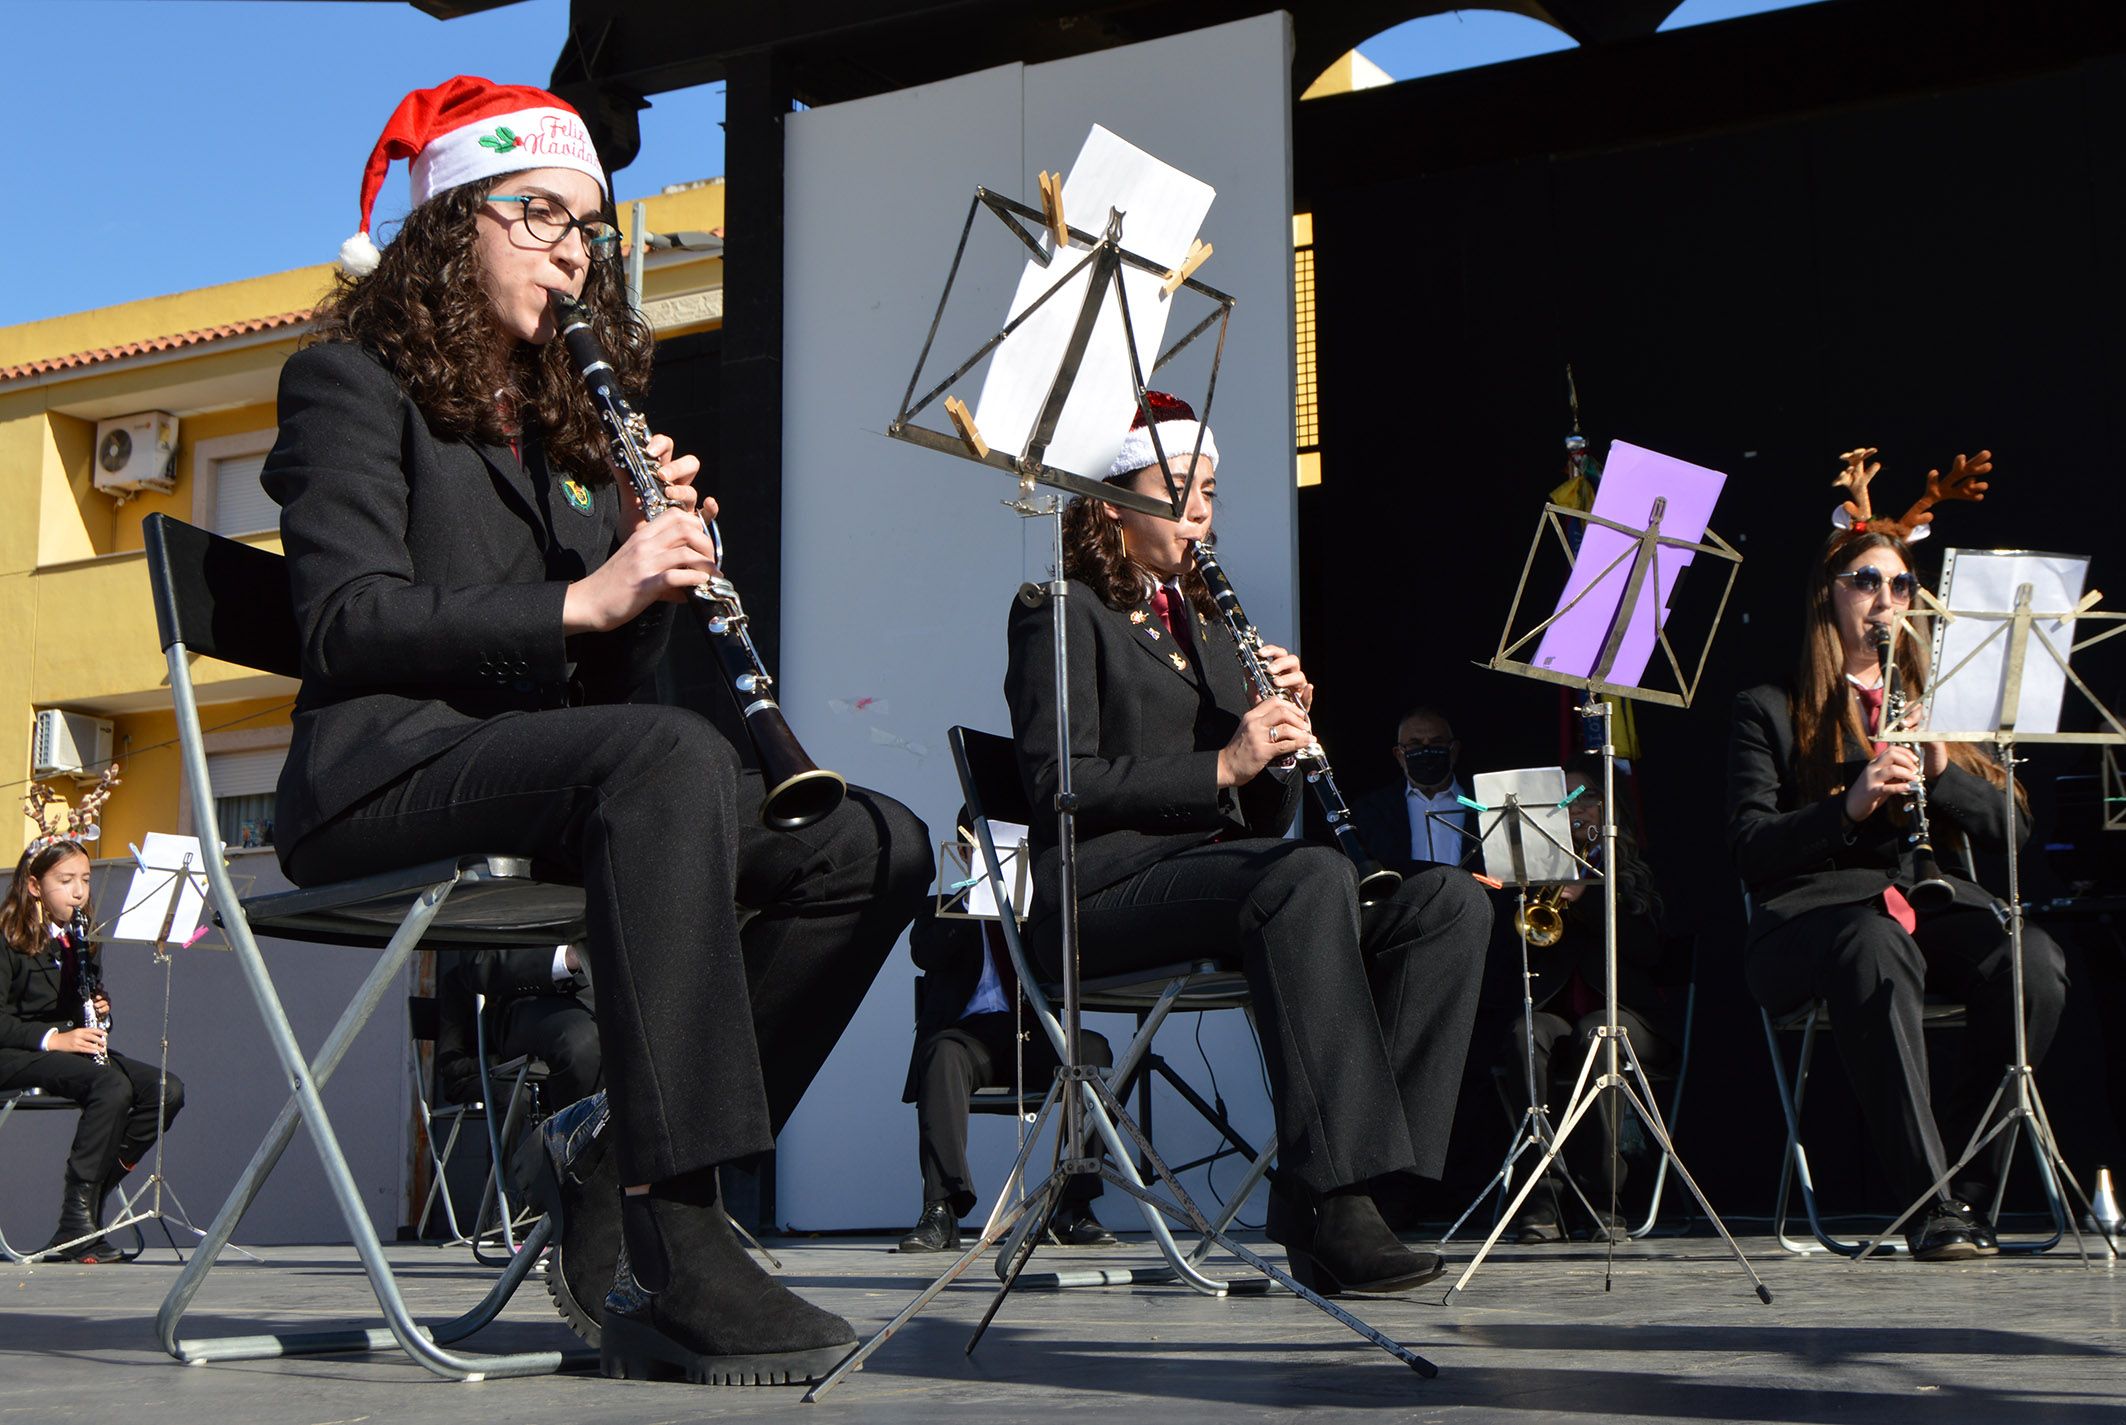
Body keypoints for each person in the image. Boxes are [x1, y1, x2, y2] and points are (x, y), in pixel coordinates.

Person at [264, 76, 930, 1384]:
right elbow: (347, 619)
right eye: (539, 213)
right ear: (451, 222)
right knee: (671, 756)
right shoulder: (345, 383)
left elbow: (605, 689)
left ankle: (620, 1144)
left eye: (590, 228)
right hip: (379, 779)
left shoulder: (561, 430)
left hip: (539, 780)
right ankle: (680, 1243)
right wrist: (584, 590)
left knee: (871, 842)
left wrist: (653, 577)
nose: (574, 249)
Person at [1003, 392, 1491, 1296]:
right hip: (1099, 893)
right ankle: (1332, 1199)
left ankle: (1358, 1187)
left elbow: (1259, 828)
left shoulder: (1214, 627)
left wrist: (1283, 749)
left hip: (1220, 886)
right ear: (1111, 501)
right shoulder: (1057, 609)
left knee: (1446, 902)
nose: (1199, 509)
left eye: (1211, 491)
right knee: (1306, 877)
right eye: (1176, 487)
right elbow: (1054, 784)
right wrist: (1224, 763)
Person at [1727, 449, 2065, 1260]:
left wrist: (1943, 769)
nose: (1886, 599)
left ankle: (1968, 1195)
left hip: (1923, 903)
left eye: (1901, 585)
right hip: (1812, 923)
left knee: (2034, 964)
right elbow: (1750, 851)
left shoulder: (1936, 701)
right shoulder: (1768, 710)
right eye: (1867, 582)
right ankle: (1928, 1204)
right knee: (1874, 943)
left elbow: (2012, 830)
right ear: (1828, 593)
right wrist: (1848, 804)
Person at [1492, 762, 1676, 1243]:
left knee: (1597, 1033)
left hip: (1629, 1014)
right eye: (1564, 801)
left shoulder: (1636, 869)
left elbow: (1651, 952)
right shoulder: (1535, 870)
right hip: (1556, 1008)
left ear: (1609, 806)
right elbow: (1511, 957)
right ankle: (1541, 1201)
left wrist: (1588, 898)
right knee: (1522, 1034)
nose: (1575, 810)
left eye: (1586, 797)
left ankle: (1603, 1203)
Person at [0, 789, 185, 1264]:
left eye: (84, 879)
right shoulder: (7, 938)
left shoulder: (80, 937)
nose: (80, 891)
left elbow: (86, 1008)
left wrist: (99, 1011)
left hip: (66, 1050)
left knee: (164, 1090)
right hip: (15, 1052)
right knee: (110, 1087)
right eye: (66, 880)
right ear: (36, 886)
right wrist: (55, 1038)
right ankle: (77, 1219)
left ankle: (85, 1206)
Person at [897, 907, 1115, 1252]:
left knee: (1094, 1052)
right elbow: (926, 953)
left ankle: (1075, 1206)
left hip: (1029, 1034)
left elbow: (1061, 960)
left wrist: (1027, 910)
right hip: (965, 1035)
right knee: (939, 1055)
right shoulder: (942, 905)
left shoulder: (1035, 905)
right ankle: (941, 1209)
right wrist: (968, 906)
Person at [434, 946, 600, 1112]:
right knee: (517, 1095)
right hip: (510, 1059)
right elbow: (451, 1066)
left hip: (590, 997)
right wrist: (569, 956)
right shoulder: (457, 984)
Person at [1347, 705, 1472, 871]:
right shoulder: (1371, 810)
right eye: (1415, 744)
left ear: (1454, 750)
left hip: (1471, 895)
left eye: (1436, 742)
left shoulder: (1481, 803)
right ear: (1399, 755)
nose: (1426, 750)